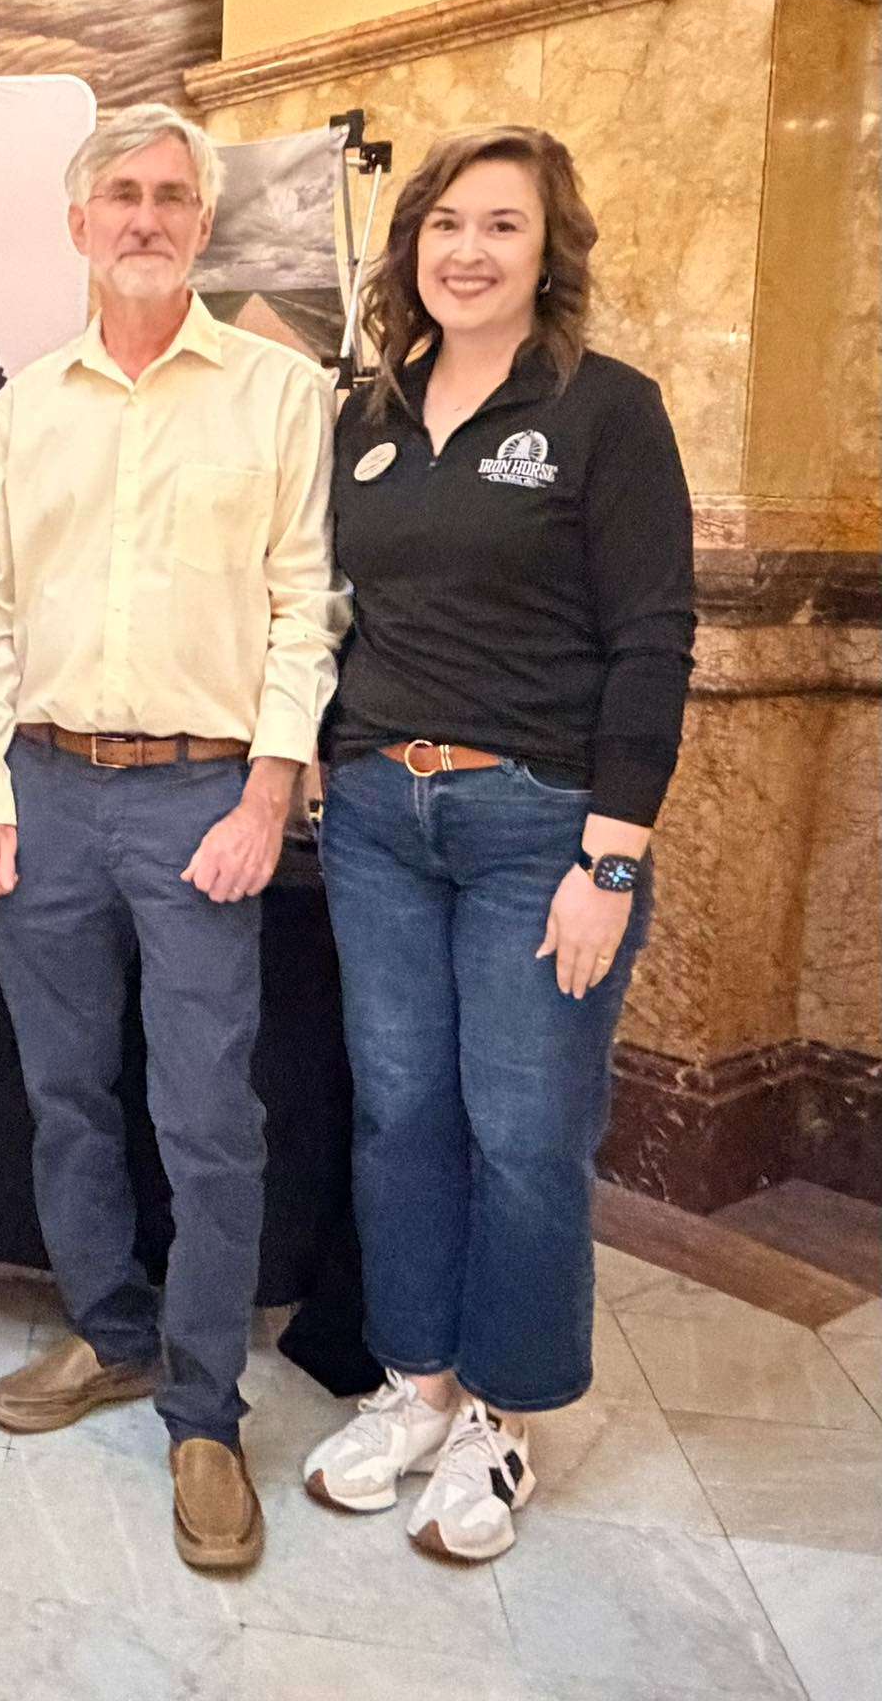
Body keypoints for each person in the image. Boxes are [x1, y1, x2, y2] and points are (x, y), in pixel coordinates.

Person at [0, 103, 349, 1572]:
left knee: (206, 1118)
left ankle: (202, 1406)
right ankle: (112, 1331)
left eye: (171, 195)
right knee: (64, 1095)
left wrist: (266, 792)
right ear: (78, 223)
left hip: (203, 799)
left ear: (201, 222)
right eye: (119, 193)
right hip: (45, 790)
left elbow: (304, 607)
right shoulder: (28, 404)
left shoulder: (277, 392)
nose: (144, 216)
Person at [301, 126, 695, 1563]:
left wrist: (611, 859)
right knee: (400, 1111)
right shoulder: (367, 416)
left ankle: (503, 1412)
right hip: (377, 820)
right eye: (445, 224)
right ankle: (416, 1383)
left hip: (539, 824)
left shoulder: (606, 410)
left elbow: (654, 639)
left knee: (524, 1128)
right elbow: (333, 608)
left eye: (502, 225)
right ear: (409, 245)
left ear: (548, 250)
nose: (467, 250)